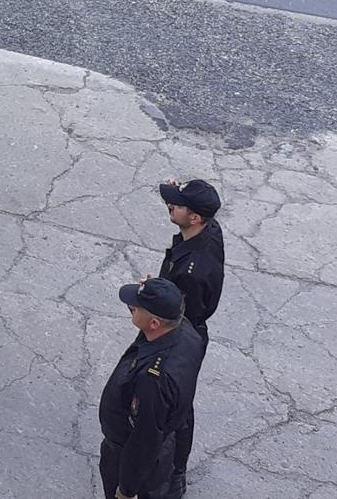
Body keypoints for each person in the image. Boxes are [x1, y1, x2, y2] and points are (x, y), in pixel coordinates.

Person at [99, 279, 204, 499]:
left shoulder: (153, 380)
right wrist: (154, 293)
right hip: (167, 445)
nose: (131, 309)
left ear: (154, 323)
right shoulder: (184, 331)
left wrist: (126, 490)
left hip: (128, 454)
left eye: (136, 307)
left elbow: (144, 440)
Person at [156, 178, 224, 498]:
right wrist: (173, 193)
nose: (171, 206)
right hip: (182, 326)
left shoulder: (192, 273)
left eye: (176, 205)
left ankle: (174, 475)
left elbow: (178, 315)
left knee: (177, 409)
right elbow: (182, 206)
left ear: (194, 217)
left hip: (181, 336)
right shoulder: (208, 229)